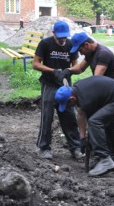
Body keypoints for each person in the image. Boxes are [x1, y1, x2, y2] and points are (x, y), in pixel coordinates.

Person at [55, 75, 114, 177]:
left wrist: (90, 139)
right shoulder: (77, 89)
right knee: (110, 127)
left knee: (95, 122)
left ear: (72, 99)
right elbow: (80, 114)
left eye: (67, 105)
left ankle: (105, 159)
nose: (68, 108)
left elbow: (89, 119)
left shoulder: (86, 99)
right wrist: (82, 138)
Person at [32, 21, 84, 160]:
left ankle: (75, 148)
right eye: (59, 36)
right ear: (53, 33)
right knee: (47, 117)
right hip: (49, 84)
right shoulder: (45, 44)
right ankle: (44, 148)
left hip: (65, 85)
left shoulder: (70, 44)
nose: (62, 39)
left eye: (64, 37)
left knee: (69, 117)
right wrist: (53, 71)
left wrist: (69, 71)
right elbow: (35, 64)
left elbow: (75, 65)